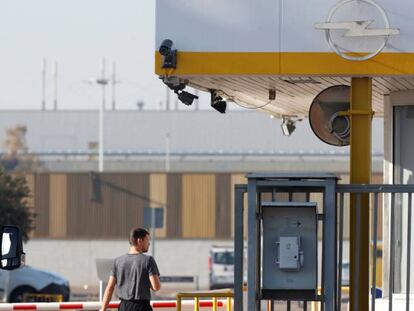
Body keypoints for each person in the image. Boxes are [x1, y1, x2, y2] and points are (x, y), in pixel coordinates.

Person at [100, 227, 161, 311]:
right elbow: (156, 286)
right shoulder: (148, 260)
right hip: (142, 307)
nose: (149, 243)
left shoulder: (118, 261)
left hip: (124, 306)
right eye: (147, 240)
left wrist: (103, 309)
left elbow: (110, 288)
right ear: (140, 241)